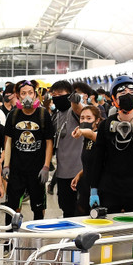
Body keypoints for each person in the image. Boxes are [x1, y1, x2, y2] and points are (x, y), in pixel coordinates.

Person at [88, 75, 133, 213]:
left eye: (132, 93)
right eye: (122, 93)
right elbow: (97, 159)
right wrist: (93, 190)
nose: (128, 95)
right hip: (110, 191)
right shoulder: (105, 125)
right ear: (114, 99)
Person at [3, 79, 55, 220]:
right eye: (23, 93)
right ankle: (11, 238)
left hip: (37, 171)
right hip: (16, 170)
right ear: (18, 96)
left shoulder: (43, 115)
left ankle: (37, 238)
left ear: (35, 95)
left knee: (38, 208)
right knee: (12, 207)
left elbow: (49, 142)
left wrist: (46, 166)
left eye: (30, 93)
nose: (27, 96)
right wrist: (6, 165)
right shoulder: (13, 115)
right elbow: (8, 141)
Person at [50, 80, 84, 217]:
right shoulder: (56, 115)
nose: (56, 97)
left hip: (78, 172)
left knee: (80, 210)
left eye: (60, 94)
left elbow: (80, 110)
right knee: (65, 208)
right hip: (62, 172)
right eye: (54, 94)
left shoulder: (73, 112)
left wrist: (75, 101)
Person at [70, 105, 102, 212]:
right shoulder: (86, 139)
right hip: (85, 186)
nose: (84, 120)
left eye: (89, 118)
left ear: (97, 120)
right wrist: (79, 174)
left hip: (98, 187)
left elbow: (92, 134)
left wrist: (81, 132)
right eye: (82, 118)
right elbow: (91, 162)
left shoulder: (101, 135)